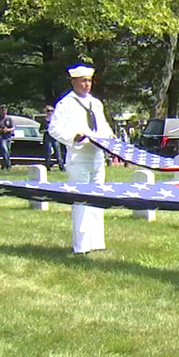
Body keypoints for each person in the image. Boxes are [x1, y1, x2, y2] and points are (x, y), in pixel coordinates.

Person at [49, 64, 113, 254]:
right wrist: (73, 136)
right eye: (83, 81)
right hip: (79, 156)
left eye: (89, 80)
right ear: (74, 82)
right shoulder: (65, 104)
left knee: (97, 198)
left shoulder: (96, 103)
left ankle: (96, 242)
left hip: (97, 155)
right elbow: (54, 129)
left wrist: (111, 137)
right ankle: (81, 245)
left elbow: (103, 126)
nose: (87, 84)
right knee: (81, 200)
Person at [0, 104, 15, 170]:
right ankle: (8, 166)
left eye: (4, 110)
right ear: (0, 111)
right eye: (2, 110)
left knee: (7, 152)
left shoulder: (9, 119)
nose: (3, 111)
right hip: (0, 137)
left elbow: (13, 128)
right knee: (5, 150)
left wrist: (7, 130)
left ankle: (3, 166)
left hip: (8, 137)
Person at [42, 104, 65, 171]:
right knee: (48, 152)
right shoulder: (44, 121)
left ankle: (61, 167)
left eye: (52, 111)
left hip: (54, 137)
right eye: (48, 111)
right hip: (47, 137)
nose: (50, 112)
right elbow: (40, 130)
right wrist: (46, 130)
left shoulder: (56, 120)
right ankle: (48, 167)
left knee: (58, 152)